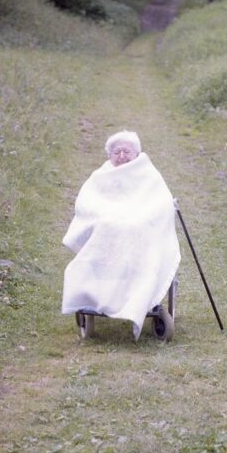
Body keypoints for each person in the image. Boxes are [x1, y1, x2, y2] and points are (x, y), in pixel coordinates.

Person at [62, 130, 180, 339]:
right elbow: (87, 202)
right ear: (109, 155)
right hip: (108, 223)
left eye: (127, 151)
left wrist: (143, 217)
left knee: (135, 228)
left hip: (140, 225)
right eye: (117, 152)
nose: (122, 156)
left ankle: (138, 290)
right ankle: (100, 291)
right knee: (108, 227)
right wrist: (105, 216)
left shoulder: (148, 173)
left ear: (137, 153)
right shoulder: (101, 175)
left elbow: (160, 202)